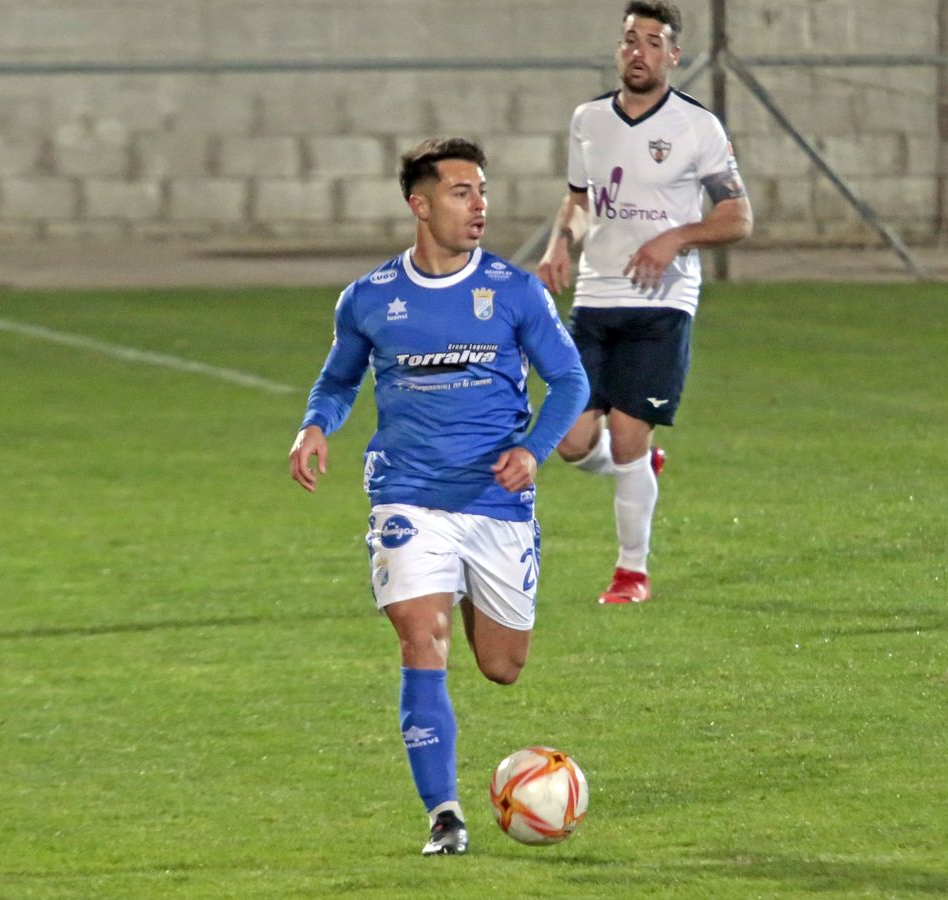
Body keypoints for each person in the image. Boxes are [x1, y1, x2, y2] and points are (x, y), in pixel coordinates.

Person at [289, 138, 588, 856]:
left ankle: (456, 580)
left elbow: (571, 382)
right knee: (421, 638)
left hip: (495, 502)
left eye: (482, 191)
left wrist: (531, 450)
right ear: (419, 205)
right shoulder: (369, 299)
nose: (479, 205)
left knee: (501, 667)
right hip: (408, 495)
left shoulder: (515, 292)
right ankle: (445, 816)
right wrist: (314, 427)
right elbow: (338, 381)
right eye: (461, 192)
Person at [536, 0, 752, 604]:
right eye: (630, 39)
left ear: (673, 56)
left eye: (653, 41)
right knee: (573, 439)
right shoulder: (589, 120)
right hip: (596, 294)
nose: (639, 51)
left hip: (663, 302)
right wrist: (560, 244)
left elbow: (738, 217)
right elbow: (580, 200)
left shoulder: (697, 127)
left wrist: (678, 236)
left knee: (629, 432)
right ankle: (638, 470)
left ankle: (632, 572)